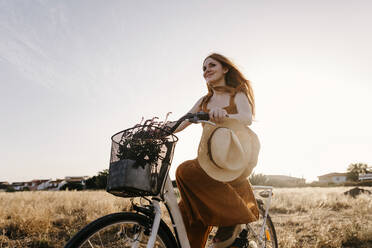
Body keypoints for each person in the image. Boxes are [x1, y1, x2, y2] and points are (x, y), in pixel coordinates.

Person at [172, 53, 260, 248]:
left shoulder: (237, 93)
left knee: (184, 170)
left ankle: (234, 217)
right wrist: (155, 129)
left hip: (232, 159)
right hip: (209, 161)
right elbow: (181, 122)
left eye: (212, 65)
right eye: (203, 68)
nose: (206, 70)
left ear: (225, 69)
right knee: (186, 214)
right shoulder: (204, 101)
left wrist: (226, 114)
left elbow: (246, 118)